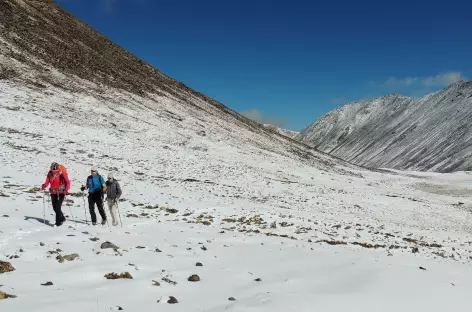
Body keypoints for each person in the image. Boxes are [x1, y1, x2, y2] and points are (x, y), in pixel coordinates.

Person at [41, 162, 70, 226]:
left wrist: (66, 190)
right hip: (53, 192)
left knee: (58, 207)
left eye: (55, 171)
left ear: (57, 169)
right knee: (54, 207)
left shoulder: (62, 173)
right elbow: (47, 182)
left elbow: (68, 182)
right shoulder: (50, 173)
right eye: (52, 170)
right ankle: (62, 218)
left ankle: (58, 223)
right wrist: (44, 186)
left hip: (61, 192)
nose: (53, 172)